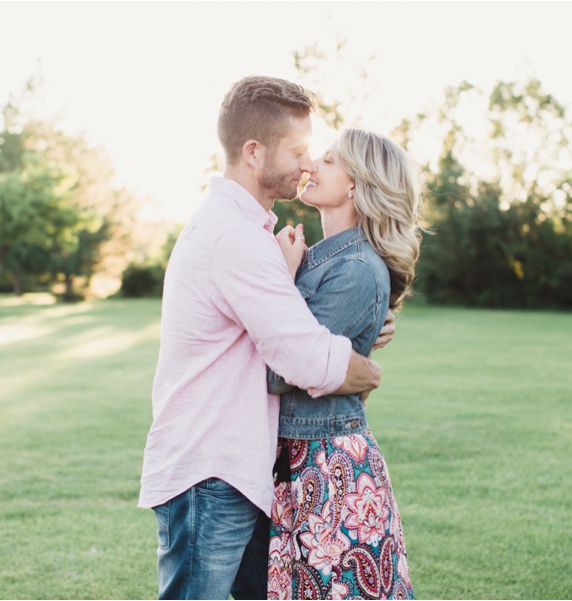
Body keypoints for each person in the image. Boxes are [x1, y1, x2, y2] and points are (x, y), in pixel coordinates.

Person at [137, 76, 394, 600]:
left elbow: (279, 329)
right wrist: (363, 366)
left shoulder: (244, 232)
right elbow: (301, 356)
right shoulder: (235, 238)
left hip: (234, 471)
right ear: (253, 153)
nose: (307, 164)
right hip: (210, 475)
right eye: (299, 151)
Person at [266, 128, 422, 599]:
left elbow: (281, 371)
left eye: (329, 160)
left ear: (356, 183)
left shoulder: (354, 269)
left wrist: (283, 276)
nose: (311, 164)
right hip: (300, 457)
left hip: (328, 466)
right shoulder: (320, 258)